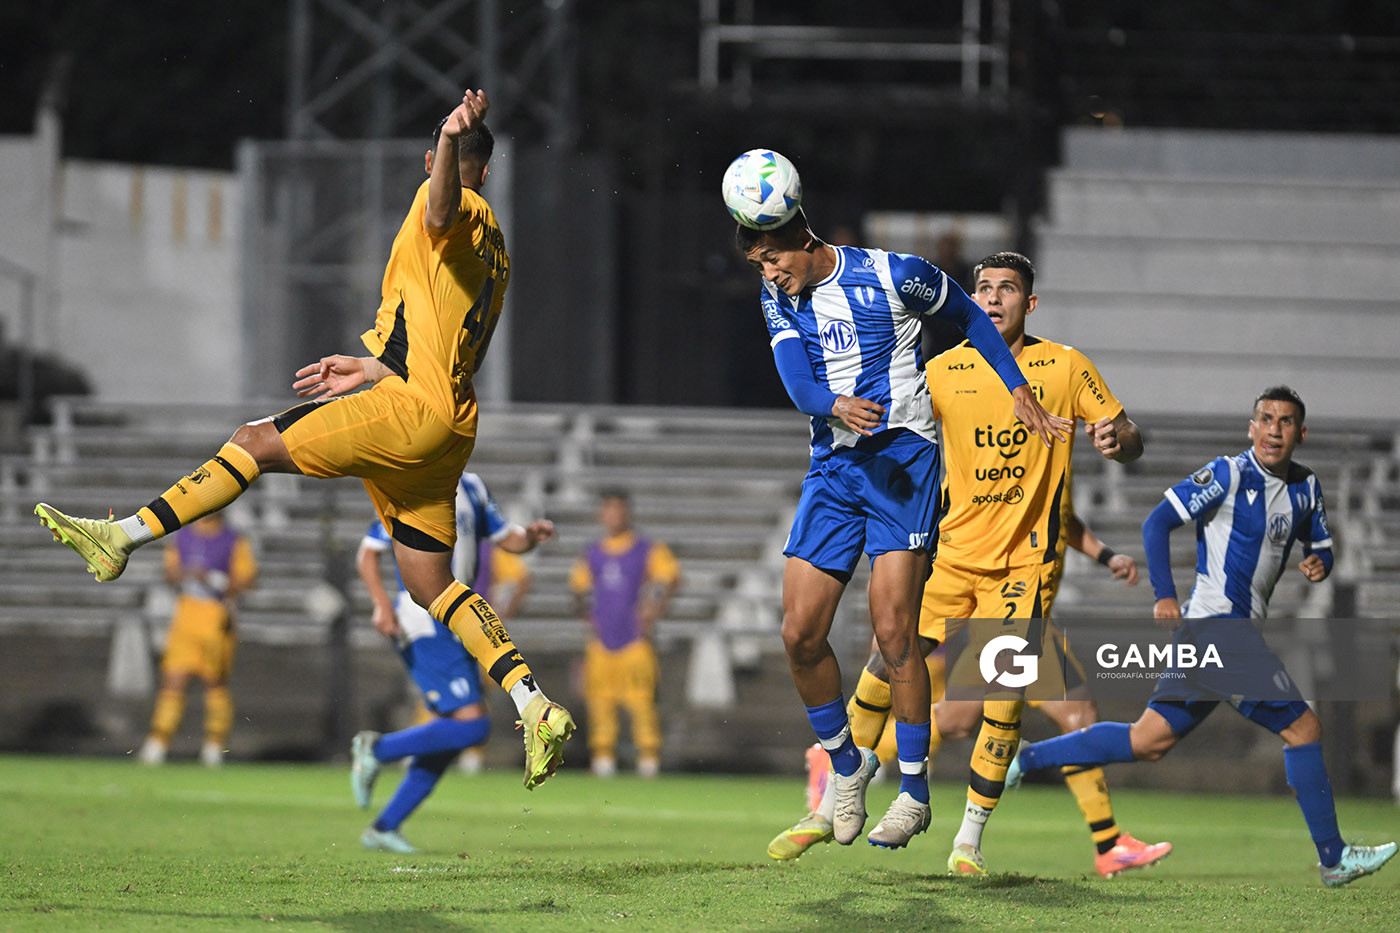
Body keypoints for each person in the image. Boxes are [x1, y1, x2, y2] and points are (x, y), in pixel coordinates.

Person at [34, 90, 573, 790]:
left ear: (440, 159)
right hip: (450, 424)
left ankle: (124, 537)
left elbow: (440, 207)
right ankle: (533, 704)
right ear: (491, 171)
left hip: (412, 413)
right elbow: (440, 334)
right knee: (431, 584)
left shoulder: (452, 206)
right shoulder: (494, 242)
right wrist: (375, 363)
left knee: (253, 441)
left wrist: (445, 139)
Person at [766, 251, 1153, 874]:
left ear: (1030, 304)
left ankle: (969, 840)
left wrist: (1119, 441)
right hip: (948, 555)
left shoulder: (1065, 367)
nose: (994, 297)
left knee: (1002, 699)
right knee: (882, 670)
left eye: (1007, 289)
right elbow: (903, 436)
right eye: (983, 288)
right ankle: (832, 794)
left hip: (1022, 569)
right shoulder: (941, 371)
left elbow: (1124, 432)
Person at [738, 215, 1071, 851]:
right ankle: (847, 767)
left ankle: (914, 792)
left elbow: (972, 318)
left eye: (773, 259)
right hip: (834, 467)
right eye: (759, 264)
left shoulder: (895, 275)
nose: (768, 274)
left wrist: (1017, 386)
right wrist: (833, 406)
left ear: (803, 241)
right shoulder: (775, 296)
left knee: (894, 633)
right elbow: (798, 381)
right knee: (799, 634)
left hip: (902, 463)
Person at [1004, 386, 1398, 888]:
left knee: (1148, 740)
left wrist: (1322, 561)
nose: (1274, 429)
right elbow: (1157, 522)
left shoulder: (1305, 488)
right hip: (1219, 627)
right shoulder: (1229, 473)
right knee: (1303, 730)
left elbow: (1319, 541)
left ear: (1301, 433)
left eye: (1285, 422)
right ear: (1250, 428)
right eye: (1265, 419)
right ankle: (1334, 858)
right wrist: (1164, 595)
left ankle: (1027, 758)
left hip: (1214, 635)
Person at [352, 471, 554, 853]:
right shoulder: (409, 482)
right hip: (422, 619)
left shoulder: (474, 485)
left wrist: (529, 537)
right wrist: (381, 604)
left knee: (453, 732)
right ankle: (377, 750)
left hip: (459, 620)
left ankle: (384, 826)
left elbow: (506, 536)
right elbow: (368, 551)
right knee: (473, 726)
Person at [569, 490, 681, 777]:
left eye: (619, 510)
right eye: (609, 510)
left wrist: (654, 609)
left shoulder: (645, 549)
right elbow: (578, 588)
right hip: (601, 640)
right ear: (601, 514)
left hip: (634, 640)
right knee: (600, 701)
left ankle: (648, 758)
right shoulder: (592, 552)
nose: (614, 516)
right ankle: (603, 758)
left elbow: (670, 576)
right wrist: (587, 616)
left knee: (641, 701)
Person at [137, 511, 257, 767]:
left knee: (215, 683)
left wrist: (216, 579)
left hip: (216, 616)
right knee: (173, 680)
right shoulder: (183, 537)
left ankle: (214, 745)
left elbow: (247, 579)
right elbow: (169, 573)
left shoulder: (233, 540)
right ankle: (158, 741)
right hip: (186, 615)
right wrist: (186, 573)